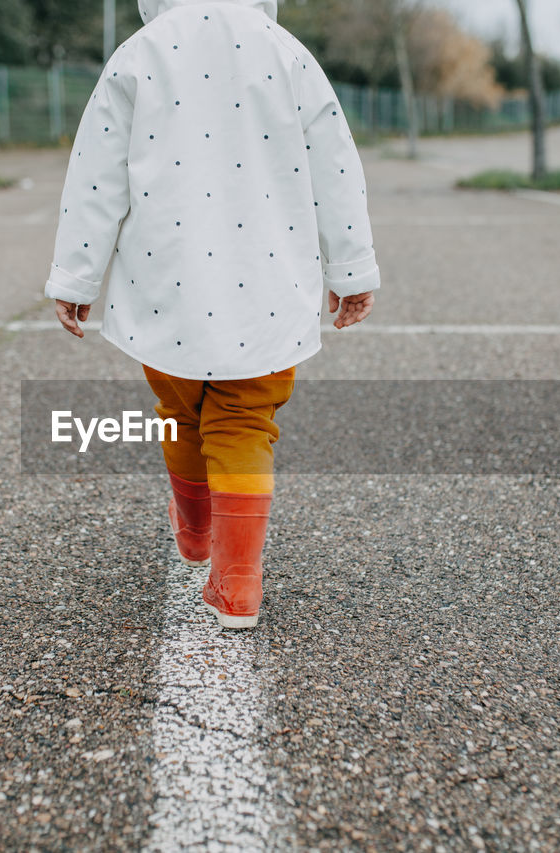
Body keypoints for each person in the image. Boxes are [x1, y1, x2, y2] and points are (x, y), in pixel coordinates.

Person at [44, 0, 379, 628]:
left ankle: (196, 531)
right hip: (268, 286)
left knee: (180, 412)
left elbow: (96, 176)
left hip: (166, 281)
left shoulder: (140, 53)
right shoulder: (286, 51)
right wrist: (351, 269)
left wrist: (76, 275)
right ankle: (238, 582)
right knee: (244, 421)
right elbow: (336, 169)